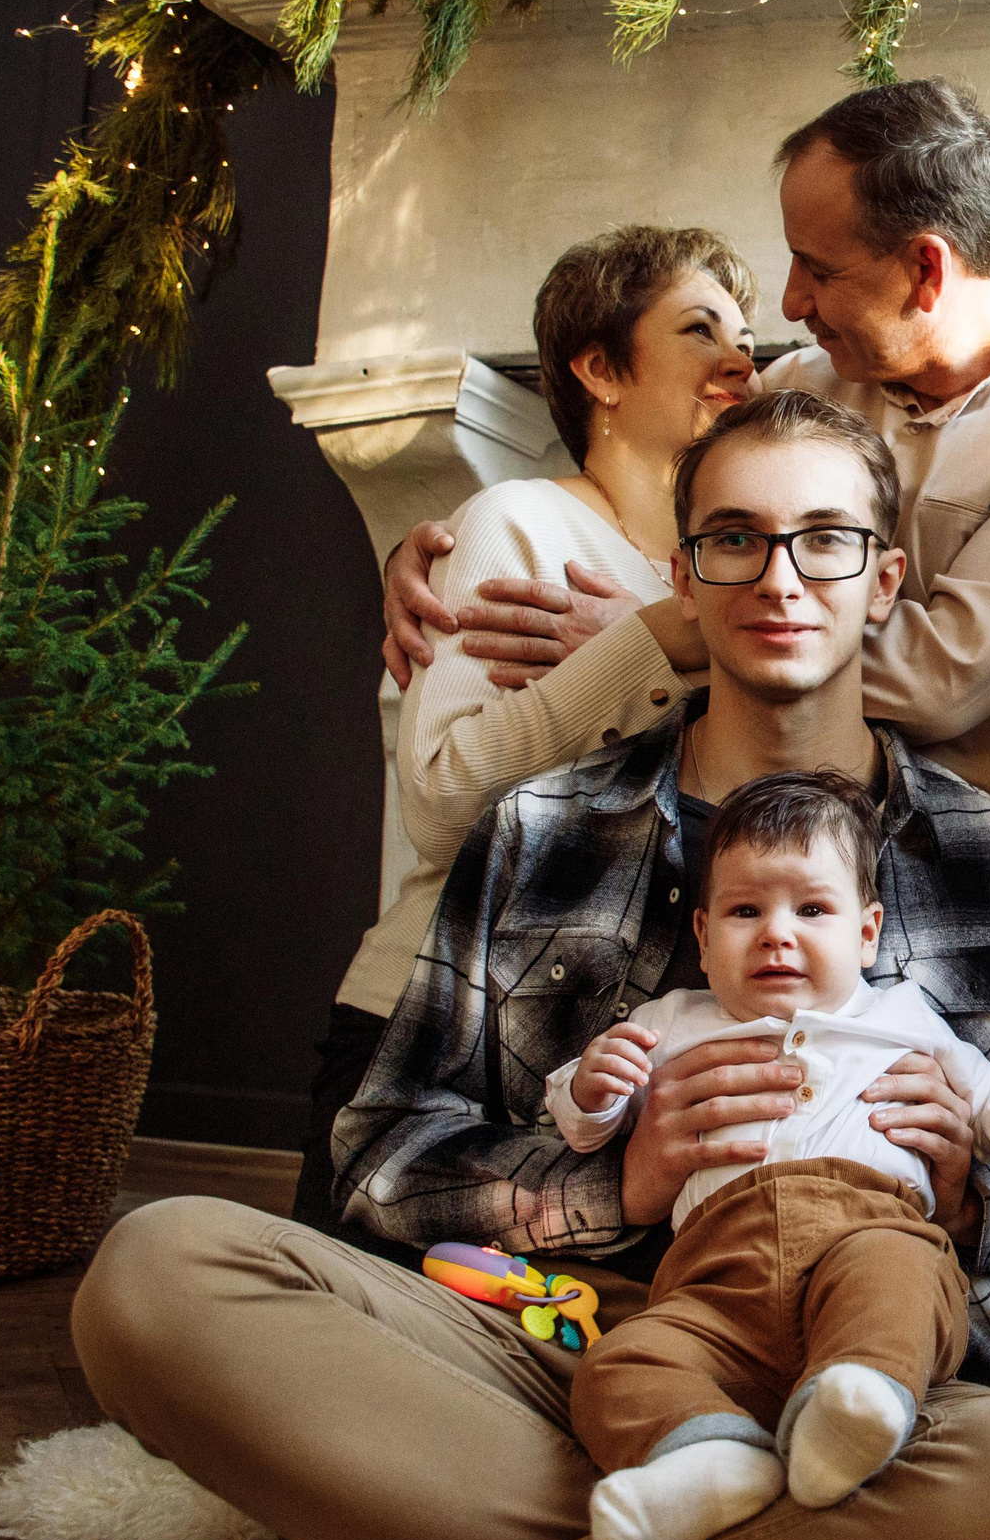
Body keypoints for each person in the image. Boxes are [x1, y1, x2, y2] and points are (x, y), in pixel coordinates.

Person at [72, 392, 990, 1540]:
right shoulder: (540, 827)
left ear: (882, 579)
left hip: (867, 1355)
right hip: (572, 1339)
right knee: (157, 1274)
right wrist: (611, 1185)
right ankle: (716, 1502)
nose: (780, 579)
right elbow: (378, 1154)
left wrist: (979, 1194)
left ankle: (616, 1514)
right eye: (735, 539)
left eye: (825, 540)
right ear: (682, 576)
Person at [378, 79, 990, 1000]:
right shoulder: (817, 379)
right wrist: (441, 539)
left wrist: (655, 630)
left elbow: (942, 676)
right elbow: (641, 453)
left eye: (816, 268)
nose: (789, 304)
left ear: (926, 269)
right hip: (786, 922)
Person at [292, 224, 760, 1240]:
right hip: (430, 1025)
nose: (740, 356)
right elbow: (443, 803)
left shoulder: (730, 577)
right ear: (599, 368)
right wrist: (647, 645)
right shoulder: (515, 523)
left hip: (583, 1059)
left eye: (746, 334)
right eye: (699, 329)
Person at [550, 770, 990, 1540]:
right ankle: (708, 1455)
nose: (775, 933)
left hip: (871, 1234)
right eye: (744, 910)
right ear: (700, 934)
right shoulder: (672, 1023)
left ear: (867, 933)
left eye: (811, 908)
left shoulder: (904, 1018)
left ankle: (856, 1400)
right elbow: (580, 1119)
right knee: (616, 1363)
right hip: (711, 1286)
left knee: (896, 1283)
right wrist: (594, 1083)